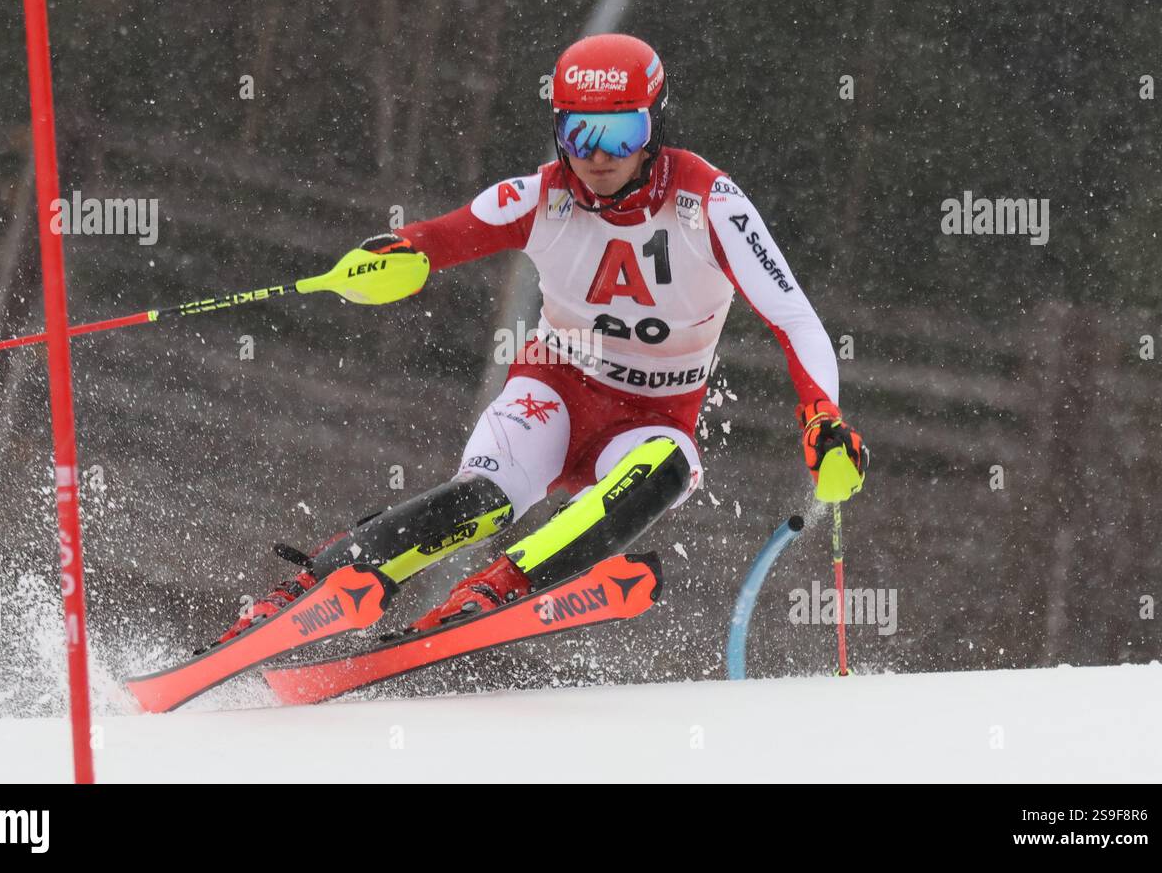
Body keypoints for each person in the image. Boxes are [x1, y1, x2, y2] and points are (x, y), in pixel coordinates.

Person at [204, 33, 868, 649]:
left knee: (667, 466)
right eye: (579, 134)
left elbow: (795, 317)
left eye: (621, 132)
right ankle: (316, 583)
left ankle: (494, 591)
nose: (599, 156)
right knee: (487, 499)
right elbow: (442, 237)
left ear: (655, 128)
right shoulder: (542, 196)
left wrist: (821, 418)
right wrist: (398, 258)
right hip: (554, 392)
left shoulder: (709, 202)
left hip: (652, 419)